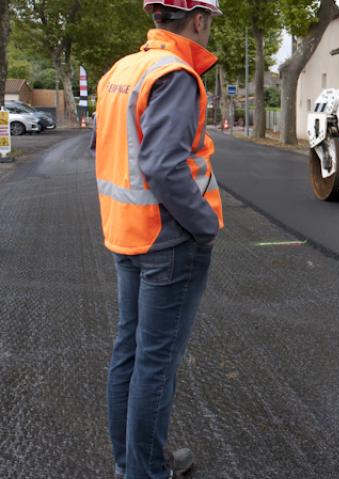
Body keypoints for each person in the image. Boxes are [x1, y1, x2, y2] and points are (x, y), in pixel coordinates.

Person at [92, 1, 224, 477]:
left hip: (125, 232)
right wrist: (205, 227)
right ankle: (146, 472)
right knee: (156, 363)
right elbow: (164, 165)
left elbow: (105, 146)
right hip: (168, 241)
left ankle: (133, 462)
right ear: (200, 19)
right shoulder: (176, 74)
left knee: (130, 354)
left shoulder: (121, 71)